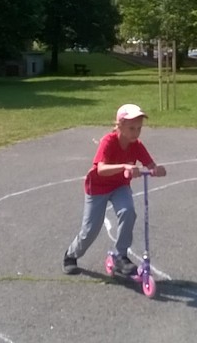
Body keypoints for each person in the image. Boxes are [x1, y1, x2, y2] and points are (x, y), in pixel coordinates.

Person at [63, 103, 167, 275]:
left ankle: (120, 256)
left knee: (128, 211)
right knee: (90, 230)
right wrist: (124, 166)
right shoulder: (109, 141)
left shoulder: (136, 145)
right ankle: (71, 255)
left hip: (119, 186)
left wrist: (157, 169)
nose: (136, 133)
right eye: (131, 128)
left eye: (139, 128)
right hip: (98, 187)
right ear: (120, 126)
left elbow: (150, 164)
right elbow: (101, 169)